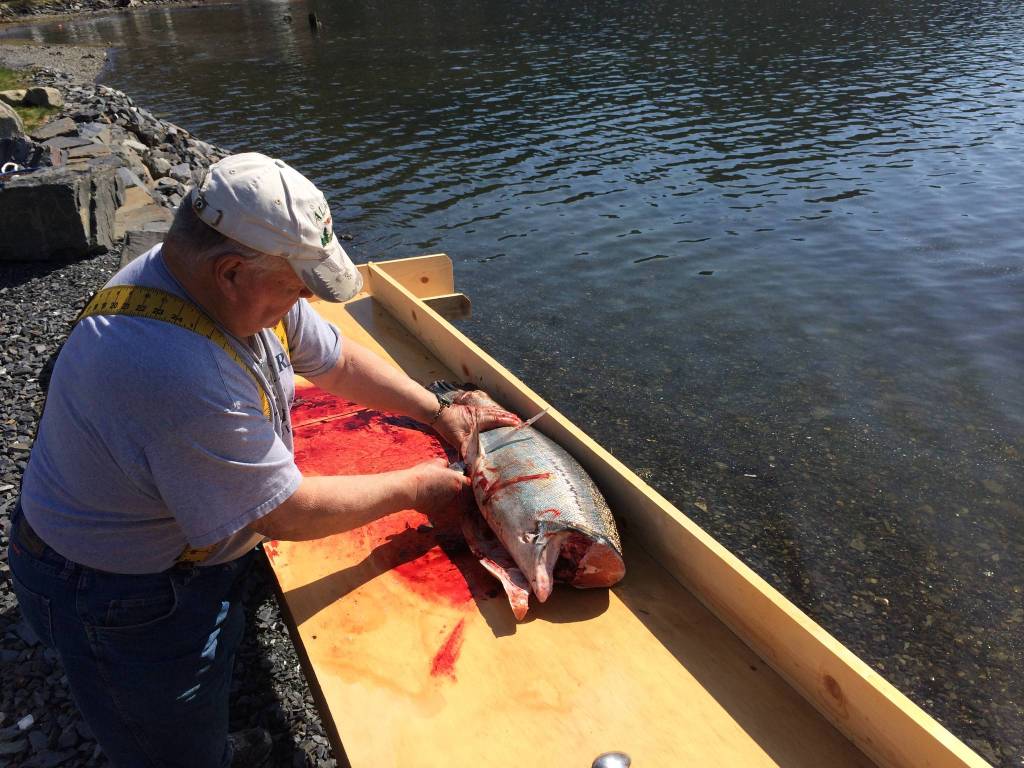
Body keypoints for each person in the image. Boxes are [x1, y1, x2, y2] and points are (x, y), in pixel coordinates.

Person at [6, 152, 519, 768]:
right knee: (162, 739)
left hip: (167, 550)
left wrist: (435, 413)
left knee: (198, 691)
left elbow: (335, 360)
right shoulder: (170, 370)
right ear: (230, 272)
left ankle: (206, 740)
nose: (303, 299)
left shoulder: (217, 287)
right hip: (116, 591)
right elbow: (284, 513)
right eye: (297, 286)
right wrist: (421, 488)